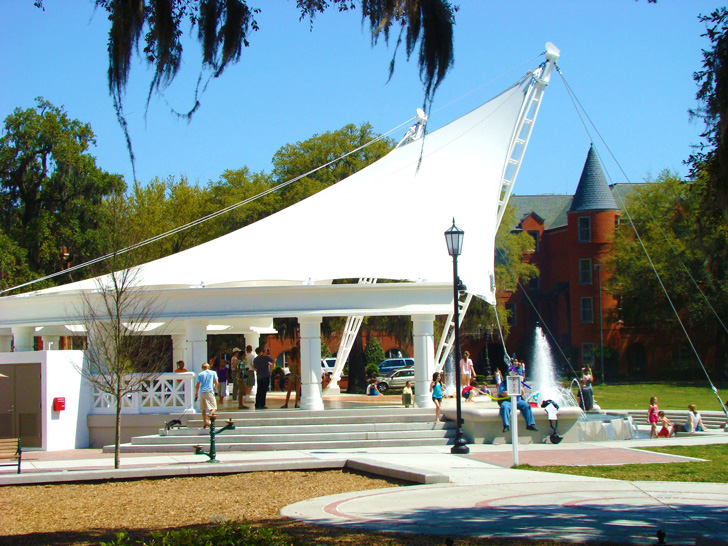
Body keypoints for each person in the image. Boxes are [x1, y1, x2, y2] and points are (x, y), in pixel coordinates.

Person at [194, 362, 218, 428]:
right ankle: (209, 420)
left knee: (203, 409)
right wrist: (215, 388)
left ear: (202, 368)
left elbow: (197, 385)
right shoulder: (213, 373)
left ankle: (204, 422)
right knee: (213, 407)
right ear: (209, 367)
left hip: (202, 392)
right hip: (209, 391)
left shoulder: (200, 374)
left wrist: (196, 394)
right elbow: (216, 382)